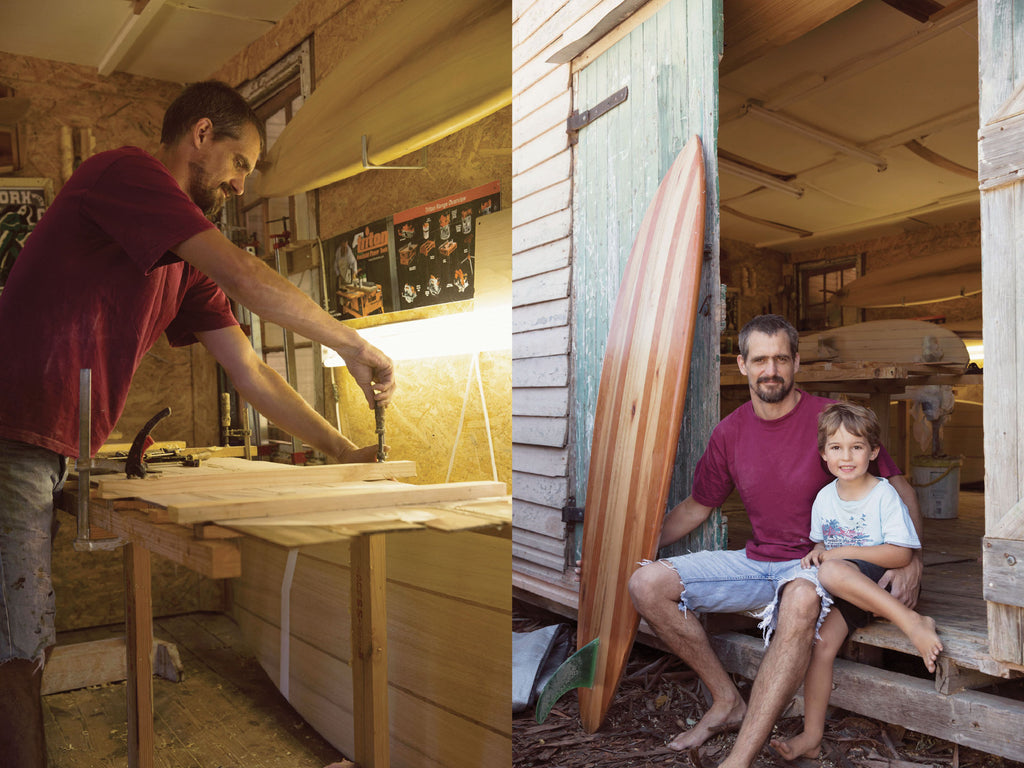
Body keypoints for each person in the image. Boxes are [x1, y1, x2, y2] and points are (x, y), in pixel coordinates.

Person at [0, 80, 395, 768]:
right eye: (241, 162)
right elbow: (243, 273)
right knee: (15, 647)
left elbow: (250, 372)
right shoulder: (128, 173)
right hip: (9, 430)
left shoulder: (183, 265)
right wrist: (352, 343)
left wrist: (341, 450)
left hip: (45, 444)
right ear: (202, 136)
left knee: (21, 635)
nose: (242, 184)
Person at [626, 314, 922, 768]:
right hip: (756, 561)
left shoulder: (830, 421)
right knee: (646, 584)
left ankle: (738, 760)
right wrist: (631, 553)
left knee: (800, 602)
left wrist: (911, 559)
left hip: (813, 565)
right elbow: (696, 507)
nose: (771, 370)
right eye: (760, 359)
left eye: (781, 358)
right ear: (742, 364)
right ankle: (726, 699)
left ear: (796, 362)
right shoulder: (729, 432)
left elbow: (895, 485)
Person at [770, 402, 942, 761]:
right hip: (849, 591)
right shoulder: (824, 498)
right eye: (836, 447)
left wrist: (834, 556)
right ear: (823, 454)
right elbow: (823, 542)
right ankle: (812, 736)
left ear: (873, 451)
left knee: (830, 571)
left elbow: (901, 555)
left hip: (885, 585)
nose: (846, 457)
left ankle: (913, 623)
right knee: (821, 645)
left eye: (856, 447)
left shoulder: (883, 494)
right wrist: (819, 552)